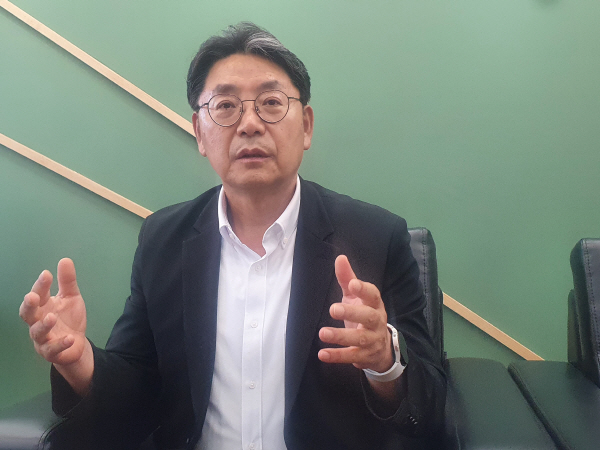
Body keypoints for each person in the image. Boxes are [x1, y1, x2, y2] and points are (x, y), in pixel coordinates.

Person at [19, 22, 446, 450]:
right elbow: (137, 391)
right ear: (199, 132)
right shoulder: (163, 240)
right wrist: (80, 361)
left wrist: (384, 362)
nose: (249, 125)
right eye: (225, 106)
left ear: (306, 126)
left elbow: (429, 407)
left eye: (271, 103)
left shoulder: (375, 238)